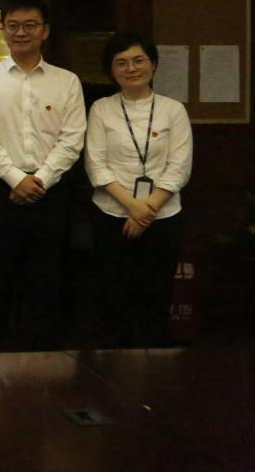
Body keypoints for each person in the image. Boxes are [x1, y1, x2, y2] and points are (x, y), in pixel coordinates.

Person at [0, 0, 85, 350]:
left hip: (51, 192)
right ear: (2, 30)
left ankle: (43, 362)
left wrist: (40, 179)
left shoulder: (67, 81)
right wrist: (16, 179)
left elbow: (72, 140)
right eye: (13, 25)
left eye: (30, 25)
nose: (21, 32)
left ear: (45, 31)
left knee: (46, 279)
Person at [84, 32, 192, 347]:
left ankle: (153, 367)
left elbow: (179, 166)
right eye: (121, 62)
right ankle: (113, 367)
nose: (131, 68)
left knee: (155, 296)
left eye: (138, 60)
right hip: (111, 214)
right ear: (111, 69)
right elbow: (95, 165)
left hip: (163, 216)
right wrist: (132, 206)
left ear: (153, 64)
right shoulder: (101, 109)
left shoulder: (173, 110)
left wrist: (147, 209)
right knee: (112, 297)